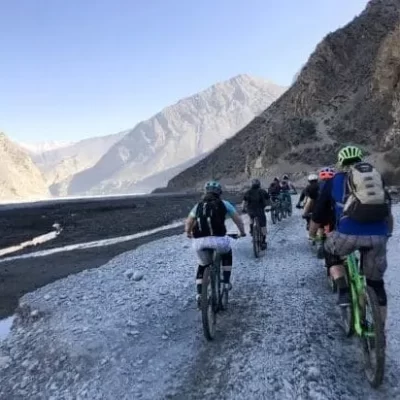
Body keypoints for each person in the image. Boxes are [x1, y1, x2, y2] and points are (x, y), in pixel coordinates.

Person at [310, 146, 393, 318]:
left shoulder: (334, 181)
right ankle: (380, 330)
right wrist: (387, 233)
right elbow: (387, 209)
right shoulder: (375, 179)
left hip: (348, 234)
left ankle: (343, 290)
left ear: (341, 163)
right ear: (361, 159)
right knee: (376, 284)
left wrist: (312, 233)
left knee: (330, 250)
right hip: (379, 236)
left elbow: (318, 212)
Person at [185, 180, 246, 308]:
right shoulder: (224, 204)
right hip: (218, 240)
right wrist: (242, 232)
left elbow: (189, 222)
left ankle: (200, 294)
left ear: (205, 192)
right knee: (227, 252)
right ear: (219, 193)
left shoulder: (198, 205)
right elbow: (238, 220)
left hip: (199, 242)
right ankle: (226, 282)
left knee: (202, 265)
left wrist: (188, 233)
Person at [242, 178, 270, 249]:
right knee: (263, 226)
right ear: (259, 184)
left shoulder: (248, 192)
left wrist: (243, 209)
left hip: (251, 210)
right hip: (260, 211)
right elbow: (268, 199)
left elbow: (244, 201)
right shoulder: (262, 191)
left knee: (251, 218)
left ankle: (252, 230)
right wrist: (269, 207)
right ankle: (263, 241)